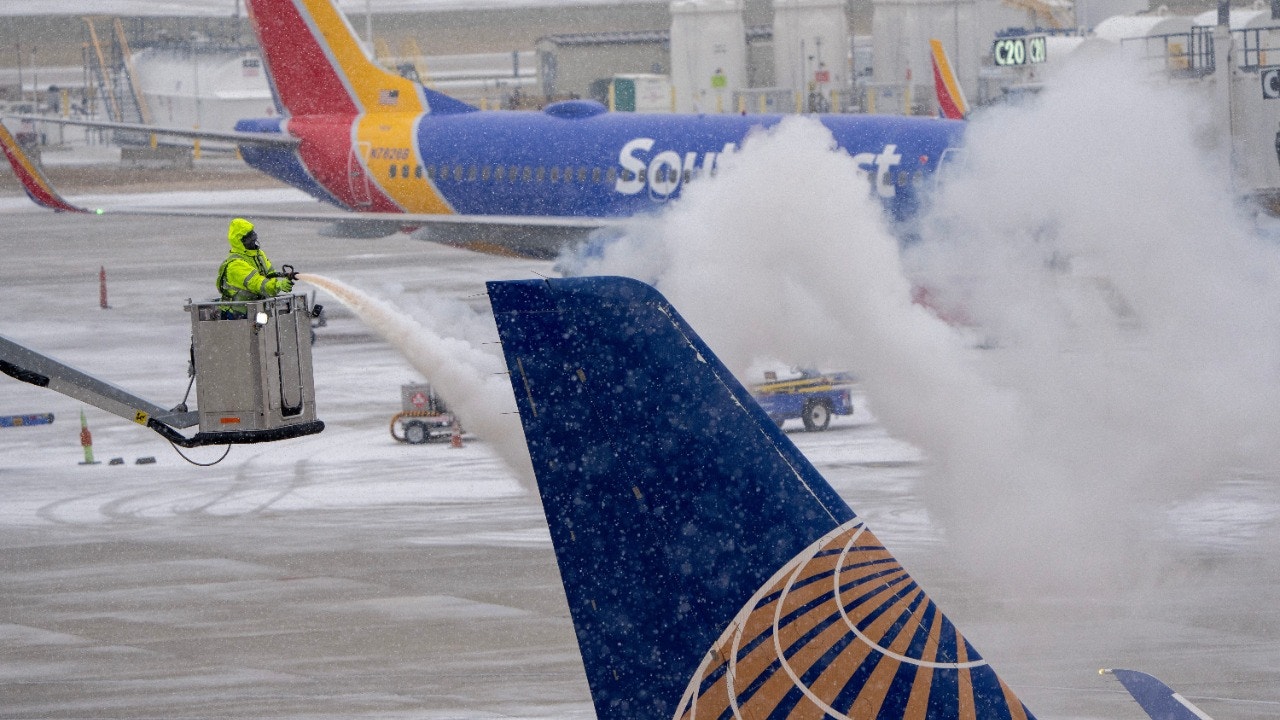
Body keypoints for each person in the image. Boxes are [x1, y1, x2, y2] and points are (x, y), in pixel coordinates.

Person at [216, 218, 293, 303]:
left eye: (252, 233)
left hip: (258, 308)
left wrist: (282, 279)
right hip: (238, 311)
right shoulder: (235, 264)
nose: (253, 238)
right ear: (240, 241)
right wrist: (278, 286)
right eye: (249, 237)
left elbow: (270, 274)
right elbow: (257, 283)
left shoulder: (259, 255)